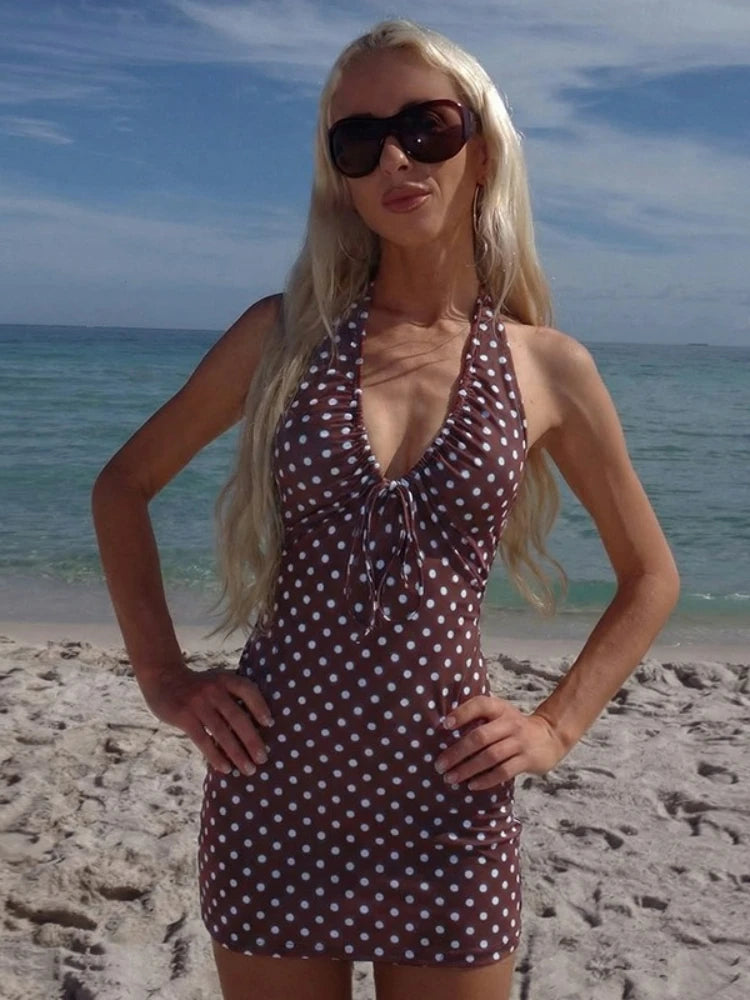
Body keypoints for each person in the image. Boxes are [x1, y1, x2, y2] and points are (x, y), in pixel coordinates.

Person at [92, 18, 680, 1000]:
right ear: (342, 180)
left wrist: (554, 728)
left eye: (427, 126)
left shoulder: (547, 367)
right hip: (276, 791)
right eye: (359, 143)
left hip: (450, 802)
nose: (396, 158)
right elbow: (123, 485)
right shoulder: (279, 337)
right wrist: (164, 678)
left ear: (482, 149)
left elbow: (652, 573)